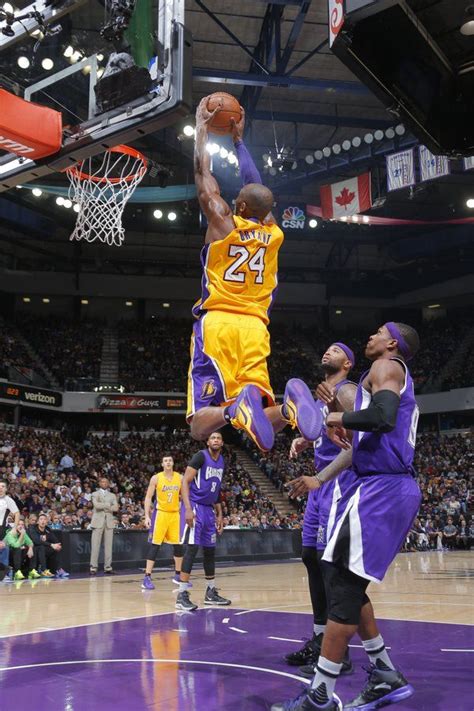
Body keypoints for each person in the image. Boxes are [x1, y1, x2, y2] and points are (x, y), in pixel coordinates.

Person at [273, 321, 421, 711]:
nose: (369, 336)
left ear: (392, 343)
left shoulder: (385, 367)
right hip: (386, 487)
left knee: (340, 586)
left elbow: (383, 416)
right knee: (345, 582)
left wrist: (330, 420)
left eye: (376, 332)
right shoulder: (384, 374)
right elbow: (373, 430)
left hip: (381, 490)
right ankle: (384, 672)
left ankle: (320, 694)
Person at [186, 96, 322, 452]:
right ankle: (291, 409)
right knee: (262, 413)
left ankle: (234, 407)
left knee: (199, 425)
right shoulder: (274, 234)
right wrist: (240, 141)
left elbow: (204, 176)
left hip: (218, 325)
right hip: (255, 329)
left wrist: (201, 130)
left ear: (240, 206)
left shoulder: (222, 223)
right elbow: (256, 183)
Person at [283, 343, 357, 677]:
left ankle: (338, 652)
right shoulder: (321, 395)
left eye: (334, 350)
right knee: (310, 558)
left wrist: (319, 477)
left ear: (348, 362)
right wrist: (305, 441)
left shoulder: (350, 392)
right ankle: (319, 639)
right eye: (324, 349)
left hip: (336, 485)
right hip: (318, 488)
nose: (326, 352)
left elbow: (358, 447)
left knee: (331, 568)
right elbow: (321, 432)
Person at [176, 432, 230, 611]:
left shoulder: (222, 460)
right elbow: (185, 482)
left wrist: (219, 513)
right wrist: (188, 508)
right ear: (208, 442)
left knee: (210, 551)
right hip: (195, 506)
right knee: (192, 548)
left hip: (208, 509)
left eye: (218, 438)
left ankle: (210, 592)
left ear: (222, 442)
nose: (215, 440)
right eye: (212, 438)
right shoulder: (200, 456)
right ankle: (182, 594)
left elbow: (217, 489)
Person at [141, 455, 185, 590]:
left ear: (173, 463)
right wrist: (147, 516)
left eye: (170, 460)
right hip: (160, 514)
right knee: (155, 545)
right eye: (165, 460)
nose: (168, 462)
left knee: (178, 545)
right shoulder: (156, 478)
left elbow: (184, 497)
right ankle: (146, 577)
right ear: (162, 464)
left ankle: (178, 575)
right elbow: (148, 497)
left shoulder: (180, 478)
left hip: (175, 515)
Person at [89, 476, 119, 575]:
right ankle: (93, 568)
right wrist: (108, 505)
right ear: (99, 483)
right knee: (95, 546)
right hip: (97, 522)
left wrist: (104, 505)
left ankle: (108, 567)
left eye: (106, 482)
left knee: (108, 547)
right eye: (102, 482)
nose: (104, 483)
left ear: (108, 484)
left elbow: (116, 508)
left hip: (109, 522)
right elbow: (96, 506)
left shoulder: (112, 495)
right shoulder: (95, 494)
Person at [29, 512, 69, 578]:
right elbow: (36, 541)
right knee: (41, 547)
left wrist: (57, 545)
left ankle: (59, 570)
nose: (43, 521)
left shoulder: (47, 529)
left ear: (47, 521)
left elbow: (54, 539)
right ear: (38, 522)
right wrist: (51, 544)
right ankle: (43, 570)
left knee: (56, 549)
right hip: (35, 550)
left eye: (44, 519)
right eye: (41, 519)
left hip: (45, 549)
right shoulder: (33, 528)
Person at [0, 479, 20, 581]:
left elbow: (17, 513)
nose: (0, 488)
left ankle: (5, 575)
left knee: (3, 549)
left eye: (3, 486)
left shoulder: (8, 500)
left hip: (2, 529)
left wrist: (14, 528)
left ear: (6, 489)